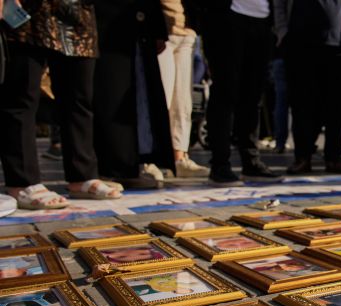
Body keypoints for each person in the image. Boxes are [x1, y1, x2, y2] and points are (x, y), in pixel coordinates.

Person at [0, 0, 122, 209]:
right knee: (21, 96)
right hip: (27, 12)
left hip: (77, 12)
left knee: (79, 97)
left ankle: (82, 176)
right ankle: (22, 182)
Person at [274, 0, 341, 174]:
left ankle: (333, 158)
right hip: (300, 47)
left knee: (337, 107)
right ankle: (302, 158)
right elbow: (279, 5)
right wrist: (283, 32)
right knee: (301, 105)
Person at [92, 0, 175, 189]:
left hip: (136, 20)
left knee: (135, 97)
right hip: (104, 24)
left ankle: (128, 168)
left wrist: (157, 29)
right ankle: (108, 169)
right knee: (109, 95)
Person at [200, 0, 284, 185]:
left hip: (262, 19)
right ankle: (220, 165)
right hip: (226, 18)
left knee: (253, 96)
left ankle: (251, 162)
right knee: (225, 93)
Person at [157, 0, 209, 178]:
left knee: (183, 102)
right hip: (162, 31)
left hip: (186, 33)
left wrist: (194, 27)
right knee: (161, 98)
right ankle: (154, 159)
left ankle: (179, 157)